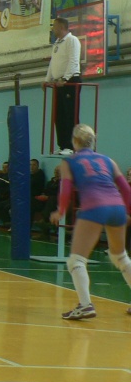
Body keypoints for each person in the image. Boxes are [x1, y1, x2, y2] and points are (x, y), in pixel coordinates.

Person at [49, 124, 131, 320]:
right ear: (93, 141)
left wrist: (60, 211)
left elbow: (65, 189)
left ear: (74, 141)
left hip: (94, 206)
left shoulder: (69, 162)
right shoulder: (108, 160)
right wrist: (128, 211)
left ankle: (85, 305)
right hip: (117, 206)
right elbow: (126, 189)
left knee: (76, 260)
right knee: (120, 257)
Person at [45, 16, 82, 155]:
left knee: (70, 115)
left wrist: (65, 79)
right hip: (58, 83)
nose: (53, 29)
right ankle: (63, 145)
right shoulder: (57, 43)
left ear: (61, 27)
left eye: (54, 26)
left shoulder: (72, 40)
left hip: (70, 81)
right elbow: (53, 63)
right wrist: (47, 79)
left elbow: (73, 60)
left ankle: (72, 147)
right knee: (59, 115)